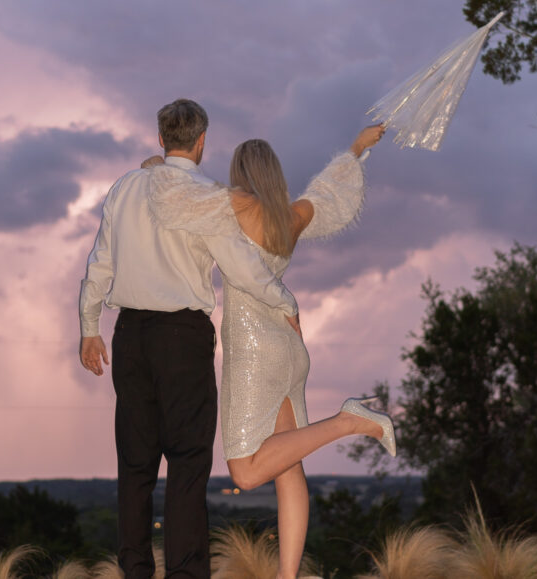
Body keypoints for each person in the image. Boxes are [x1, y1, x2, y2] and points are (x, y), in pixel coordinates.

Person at [147, 124, 396, 579]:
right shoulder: (292, 215)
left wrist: (157, 168)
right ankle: (288, 575)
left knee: (245, 472)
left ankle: (349, 420)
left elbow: (181, 195)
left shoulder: (233, 204)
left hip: (254, 350)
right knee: (288, 467)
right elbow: (328, 193)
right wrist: (357, 148)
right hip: (290, 345)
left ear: (240, 172)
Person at [78, 99, 302, 579]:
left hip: (131, 337)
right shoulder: (208, 197)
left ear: (161, 138)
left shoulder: (125, 188)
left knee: (135, 466)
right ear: (202, 142)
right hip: (182, 340)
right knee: (187, 464)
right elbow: (242, 269)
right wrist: (285, 301)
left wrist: (88, 328)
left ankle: (135, 571)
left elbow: (100, 263)